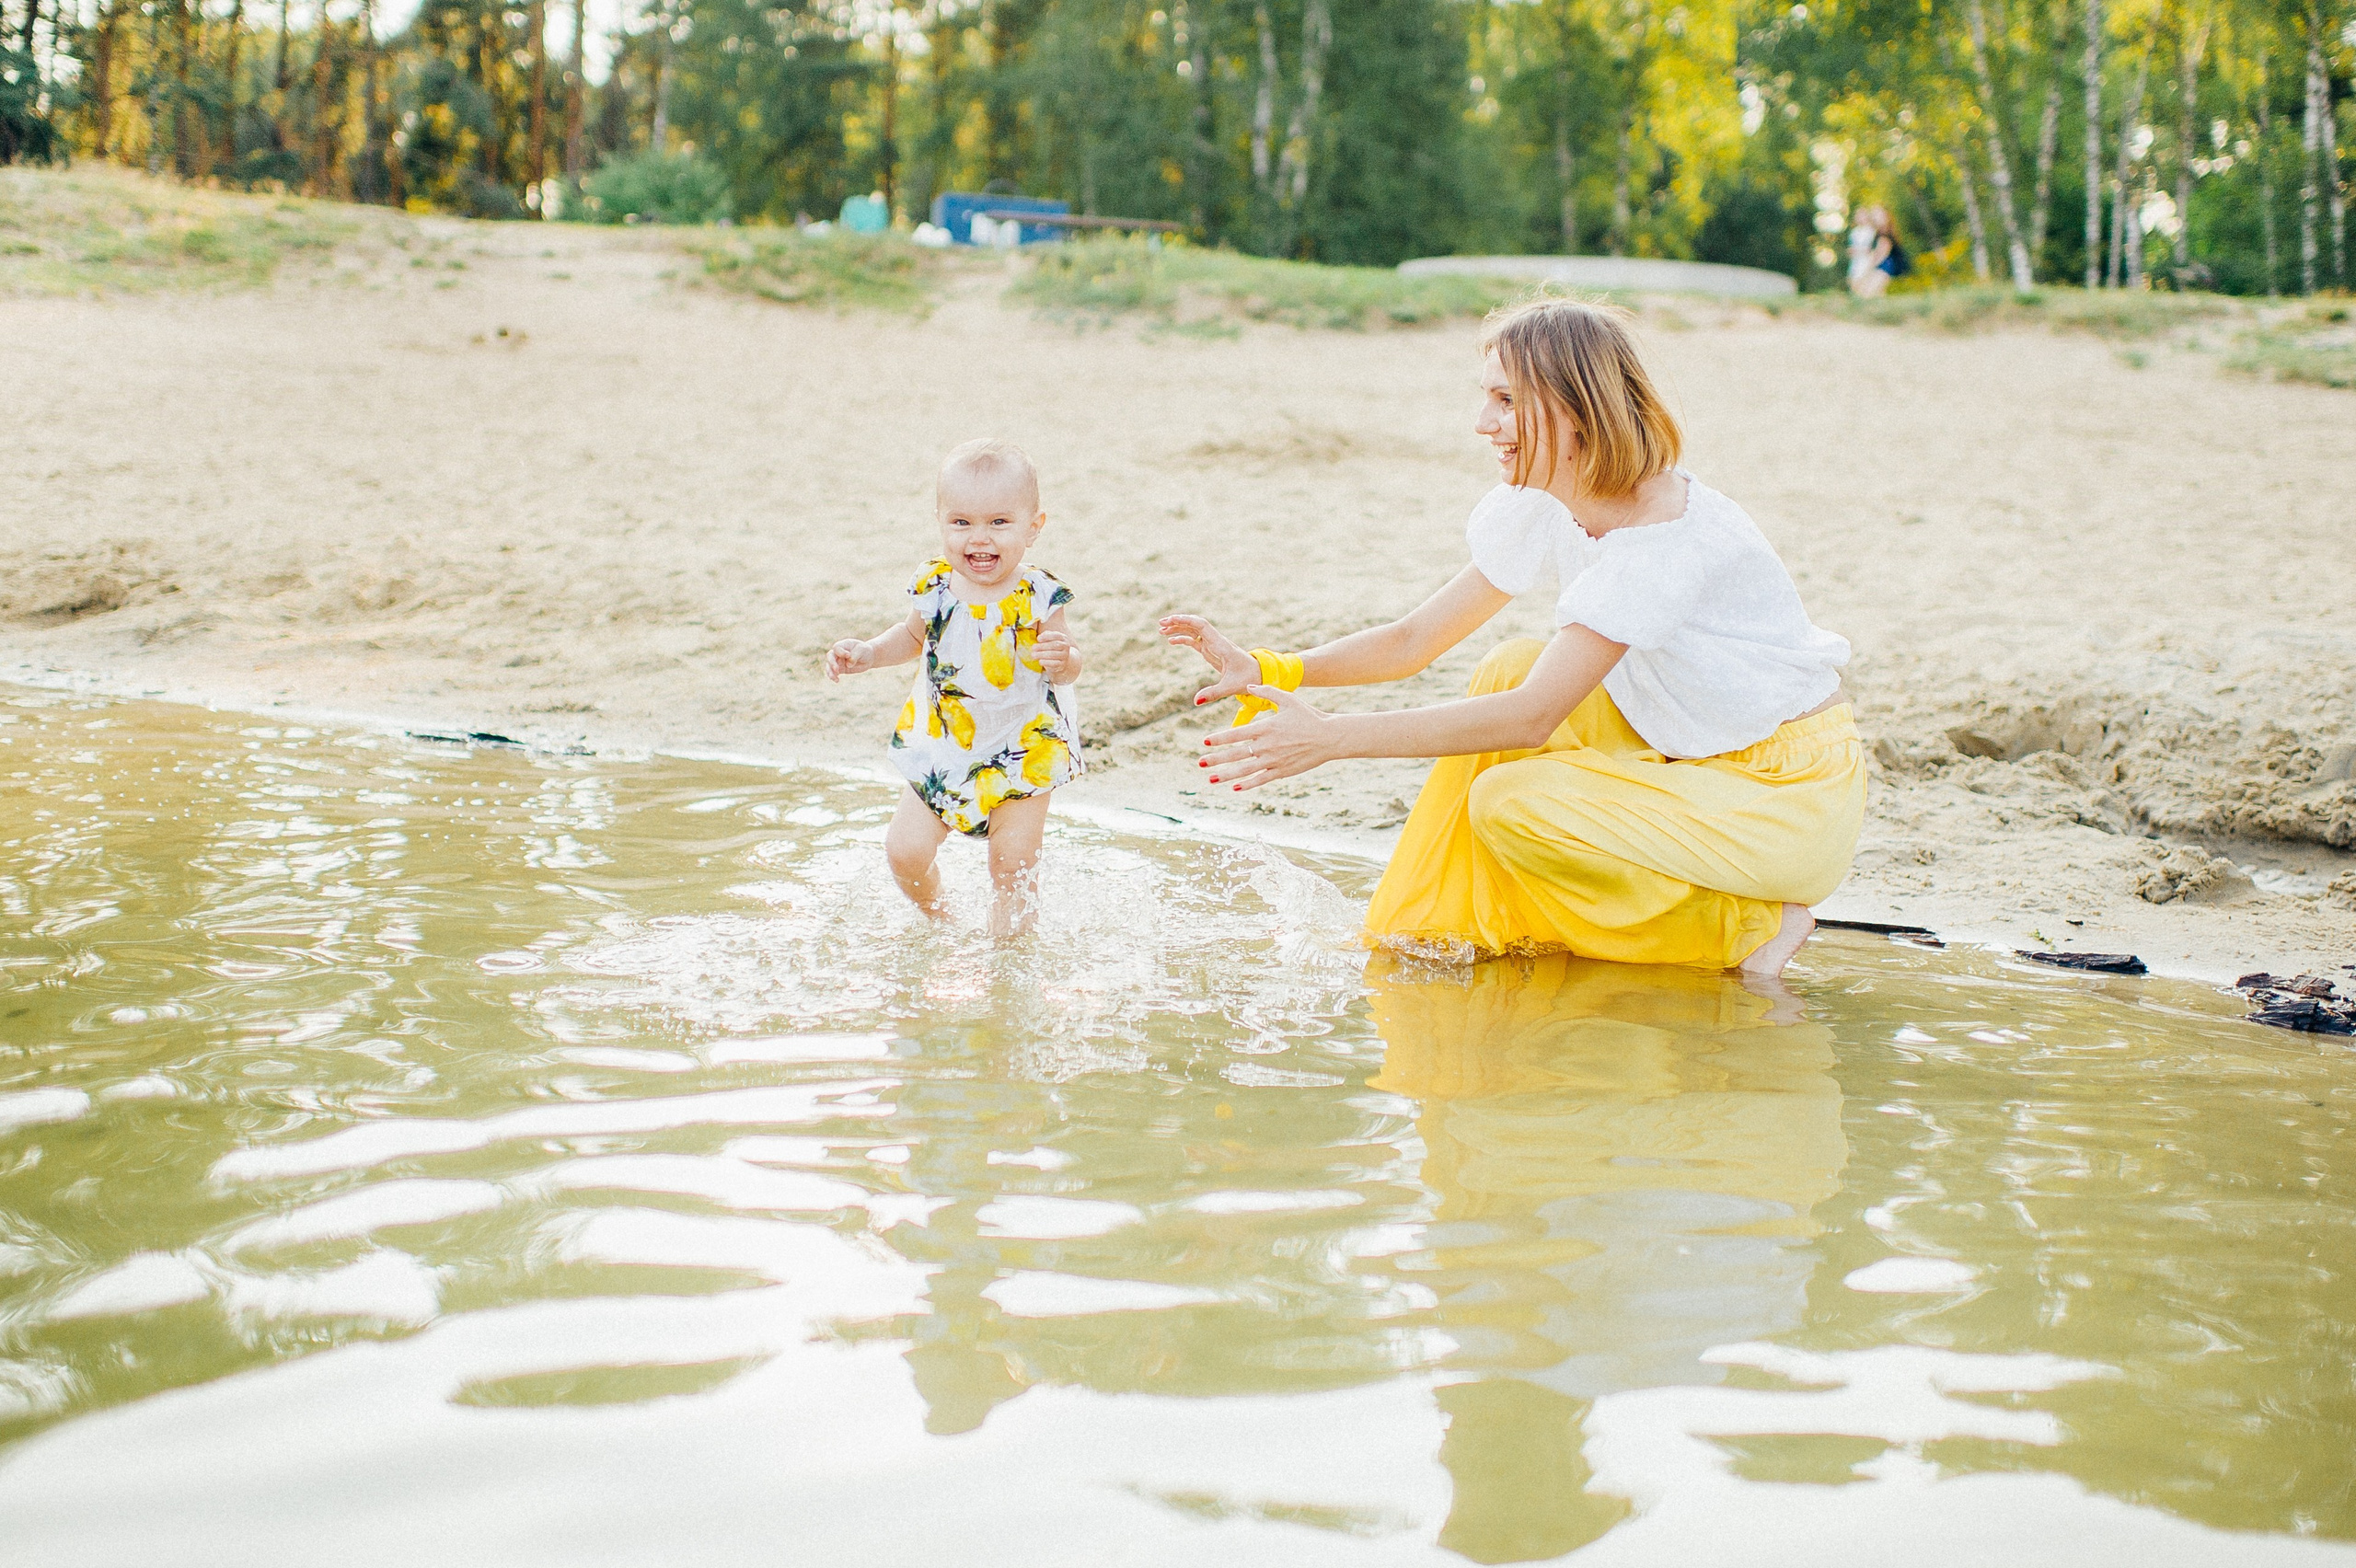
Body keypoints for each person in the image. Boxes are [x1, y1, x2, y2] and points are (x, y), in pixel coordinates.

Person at [1161, 297, 1863, 978]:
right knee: (1510, 665)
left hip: (1784, 796)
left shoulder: (1661, 540)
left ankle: (1751, 929)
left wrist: (1334, 737)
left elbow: (1532, 720)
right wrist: (1269, 668)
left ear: (1575, 408)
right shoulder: (1555, 500)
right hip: (1692, 761)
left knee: (1510, 800)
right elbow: (1413, 641)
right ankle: (1433, 926)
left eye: (1506, 401)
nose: (1482, 423)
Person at [826, 438, 1083, 936]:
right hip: (945, 743)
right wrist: (869, 654)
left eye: (999, 523)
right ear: (940, 521)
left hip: (1023, 745)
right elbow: (909, 638)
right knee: (904, 852)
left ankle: (1009, 962)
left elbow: (1070, 663)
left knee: (1011, 867)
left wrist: (1064, 660)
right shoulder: (935, 585)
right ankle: (941, 921)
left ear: (1034, 528)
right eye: (961, 522)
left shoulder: (1040, 594)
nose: (979, 538)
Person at [1846, 205, 1906, 298]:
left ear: (1886, 216)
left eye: (1878, 215)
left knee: (1865, 294)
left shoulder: (1884, 235)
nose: (1875, 218)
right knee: (1874, 294)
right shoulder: (1879, 232)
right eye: (1874, 216)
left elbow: (1879, 256)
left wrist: (1865, 274)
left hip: (1885, 268)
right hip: (1883, 267)